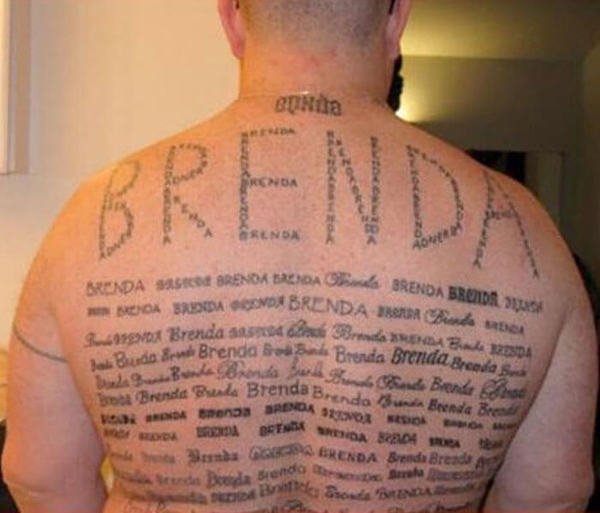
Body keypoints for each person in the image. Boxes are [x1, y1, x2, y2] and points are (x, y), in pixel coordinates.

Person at [2, 1, 597, 512]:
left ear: (232, 17)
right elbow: (549, 497)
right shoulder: (529, 238)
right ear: (397, 17)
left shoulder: (92, 220)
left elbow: (42, 478)